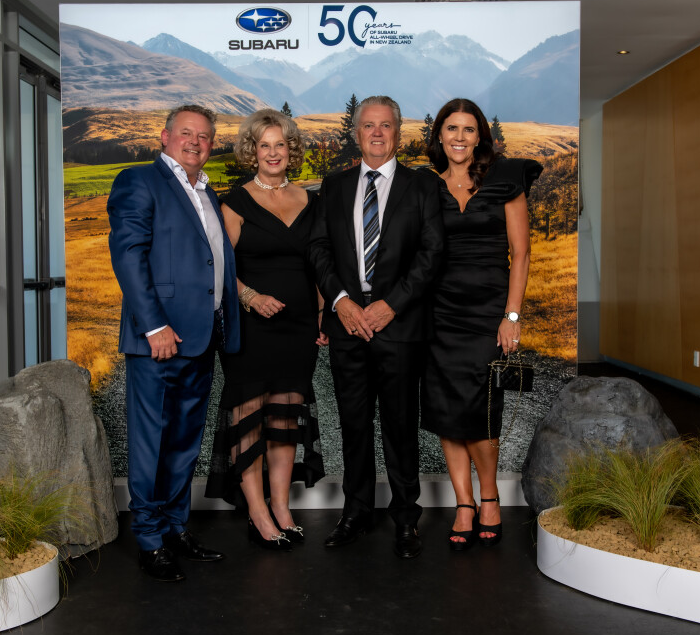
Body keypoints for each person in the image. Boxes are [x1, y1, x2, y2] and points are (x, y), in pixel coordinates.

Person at [108, 105, 241, 581]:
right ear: (165, 137)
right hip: (160, 340)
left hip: (201, 338)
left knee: (184, 442)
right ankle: (149, 539)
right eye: (186, 133)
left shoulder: (206, 190)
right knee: (152, 442)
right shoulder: (139, 181)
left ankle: (175, 528)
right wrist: (153, 326)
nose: (195, 142)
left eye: (204, 136)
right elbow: (128, 255)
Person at [309, 95, 444, 559]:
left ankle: (406, 519)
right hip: (347, 323)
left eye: (386, 125)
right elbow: (319, 249)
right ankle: (356, 513)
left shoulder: (421, 186)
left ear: (398, 133)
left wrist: (391, 305)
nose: (377, 133)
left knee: (400, 425)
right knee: (353, 423)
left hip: (398, 324)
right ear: (356, 134)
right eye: (368, 125)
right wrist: (342, 302)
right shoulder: (334, 185)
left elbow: (432, 254)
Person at [421, 98, 542, 550]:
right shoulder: (426, 187)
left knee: (481, 410)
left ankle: (489, 496)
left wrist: (512, 316)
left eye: (468, 129)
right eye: (451, 128)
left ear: (480, 137)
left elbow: (521, 254)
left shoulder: (505, 181)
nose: (459, 137)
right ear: (439, 135)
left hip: (488, 314)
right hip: (439, 314)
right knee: (446, 412)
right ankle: (464, 503)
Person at [205, 109, 326, 551]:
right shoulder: (235, 203)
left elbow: (319, 264)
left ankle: (282, 507)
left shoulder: (310, 200)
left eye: (280, 145)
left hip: (298, 328)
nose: (273, 153)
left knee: (284, 418)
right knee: (250, 417)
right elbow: (218, 267)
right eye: (264, 145)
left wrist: (321, 314)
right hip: (251, 326)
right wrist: (251, 298)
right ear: (252, 151)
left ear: (290, 151)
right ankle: (257, 513)